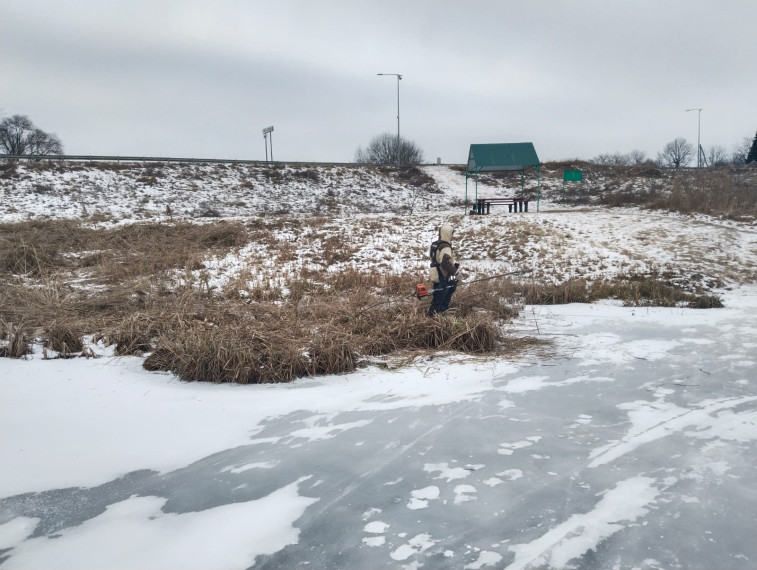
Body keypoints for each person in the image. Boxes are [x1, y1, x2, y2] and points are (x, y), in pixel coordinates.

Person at [428, 222, 460, 316]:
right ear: (448, 234)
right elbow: (445, 263)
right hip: (443, 276)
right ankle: (433, 320)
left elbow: (436, 260)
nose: (452, 236)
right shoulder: (445, 247)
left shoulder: (435, 244)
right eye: (452, 234)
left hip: (435, 274)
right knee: (440, 300)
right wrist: (457, 273)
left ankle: (437, 318)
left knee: (437, 297)